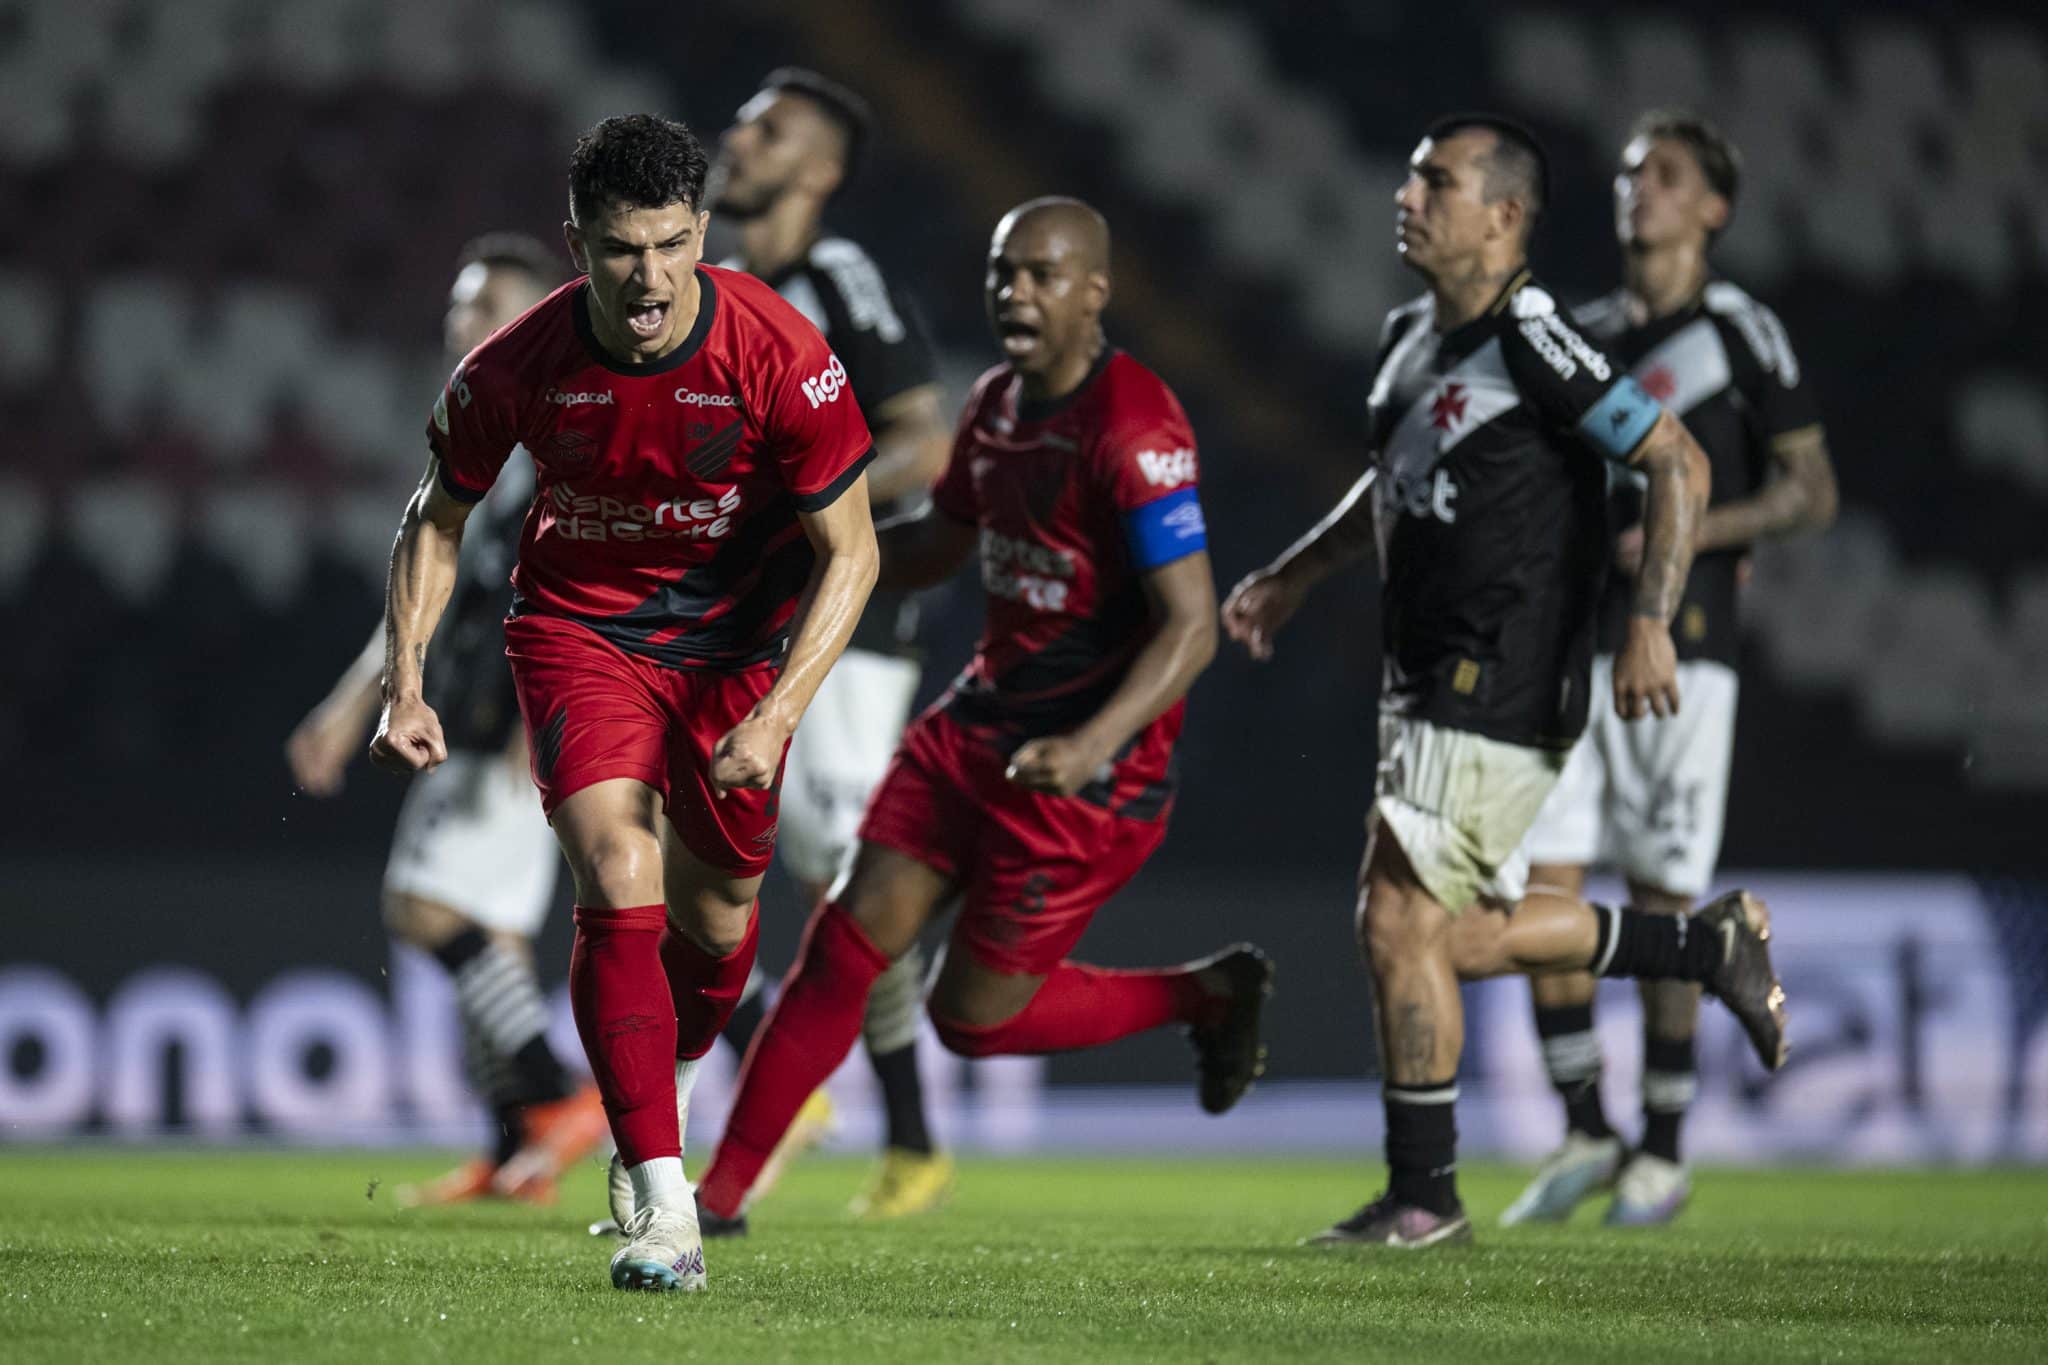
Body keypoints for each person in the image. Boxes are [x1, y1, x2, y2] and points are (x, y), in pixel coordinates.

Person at [1221, 115, 1787, 1250]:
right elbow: (1389, 487)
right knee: (1452, 936)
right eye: (1408, 172)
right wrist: (1292, 574)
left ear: (1503, 216)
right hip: (1422, 674)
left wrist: (1648, 625)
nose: (1406, 194)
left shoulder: (1535, 336)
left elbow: (1676, 458)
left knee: (1394, 923)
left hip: (1500, 672)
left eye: (1435, 180)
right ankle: (1698, 946)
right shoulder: (1408, 339)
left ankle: (1424, 1197)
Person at [686, 197, 1274, 1234]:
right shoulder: (996, 404)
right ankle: (717, 1203)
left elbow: (1190, 627)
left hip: (1089, 772)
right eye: (1003, 272)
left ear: (1094, 293)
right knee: (843, 942)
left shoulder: (1135, 428)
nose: (1014, 293)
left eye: (1042, 275)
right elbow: (936, 549)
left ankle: (1206, 995)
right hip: (978, 729)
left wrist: (1090, 743)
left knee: (969, 1020)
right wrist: (803, 553)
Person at [369, 114, 880, 1293]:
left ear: (700, 233)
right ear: (577, 244)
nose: (646, 278)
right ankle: (659, 1200)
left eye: (666, 246)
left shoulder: (777, 349)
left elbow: (849, 552)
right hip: (580, 634)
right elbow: (433, 517)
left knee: (715, 927)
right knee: (615, 871)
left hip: (736, 652)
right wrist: (405, 677)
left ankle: (671, 1078)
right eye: (617, 250)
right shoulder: (514, 365)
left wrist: (774, 715)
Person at [1501, 111, 1836, 1228]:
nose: (1636, 189)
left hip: (1683, 649)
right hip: (1567, 648)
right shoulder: (1583, 334)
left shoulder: (1740, 331)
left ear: (1712, 209)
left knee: (1657, 893)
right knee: (1538, 883)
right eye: (1630, 172)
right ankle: (1583, 1130)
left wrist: (1692, 528)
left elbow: (1809, 491)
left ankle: (1663, 1148)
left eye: (1666, 175)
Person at [285, 233, 605, 1207]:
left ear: (534, 318)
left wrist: (546, 709)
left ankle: (556, 1096)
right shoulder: (484, 432)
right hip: (469, 706)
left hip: (505, 718)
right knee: (496, 941)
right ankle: (518, 1152)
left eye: (488, 306)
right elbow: (428, 593)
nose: (464, 324)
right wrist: (350, 710)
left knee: (422, 908)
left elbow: (580, 577)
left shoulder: (557, 433)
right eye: (458, 308)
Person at [709, 68, 955, 1219]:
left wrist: (811, 501)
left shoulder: (836, 277)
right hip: (743, 619)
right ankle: (809, 1087)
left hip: (848, 628)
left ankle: (908, 1137)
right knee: (674, 839)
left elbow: (926, 442)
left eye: (769, 131)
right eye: (745, 123)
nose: (738, 140)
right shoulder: (715, 286)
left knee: (847, 880)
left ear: (819, 171)